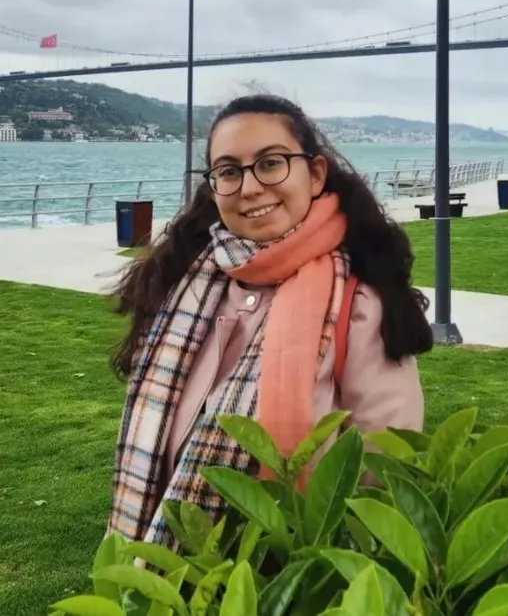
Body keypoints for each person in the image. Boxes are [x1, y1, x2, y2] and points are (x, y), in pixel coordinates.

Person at [107, 93, 433, 549]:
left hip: (289, 569)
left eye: (271, 163)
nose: (250, 187)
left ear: (315, 174)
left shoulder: (359, 304)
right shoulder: (184, 285)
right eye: (229, 171)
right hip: (166, 568)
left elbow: (383, 470)